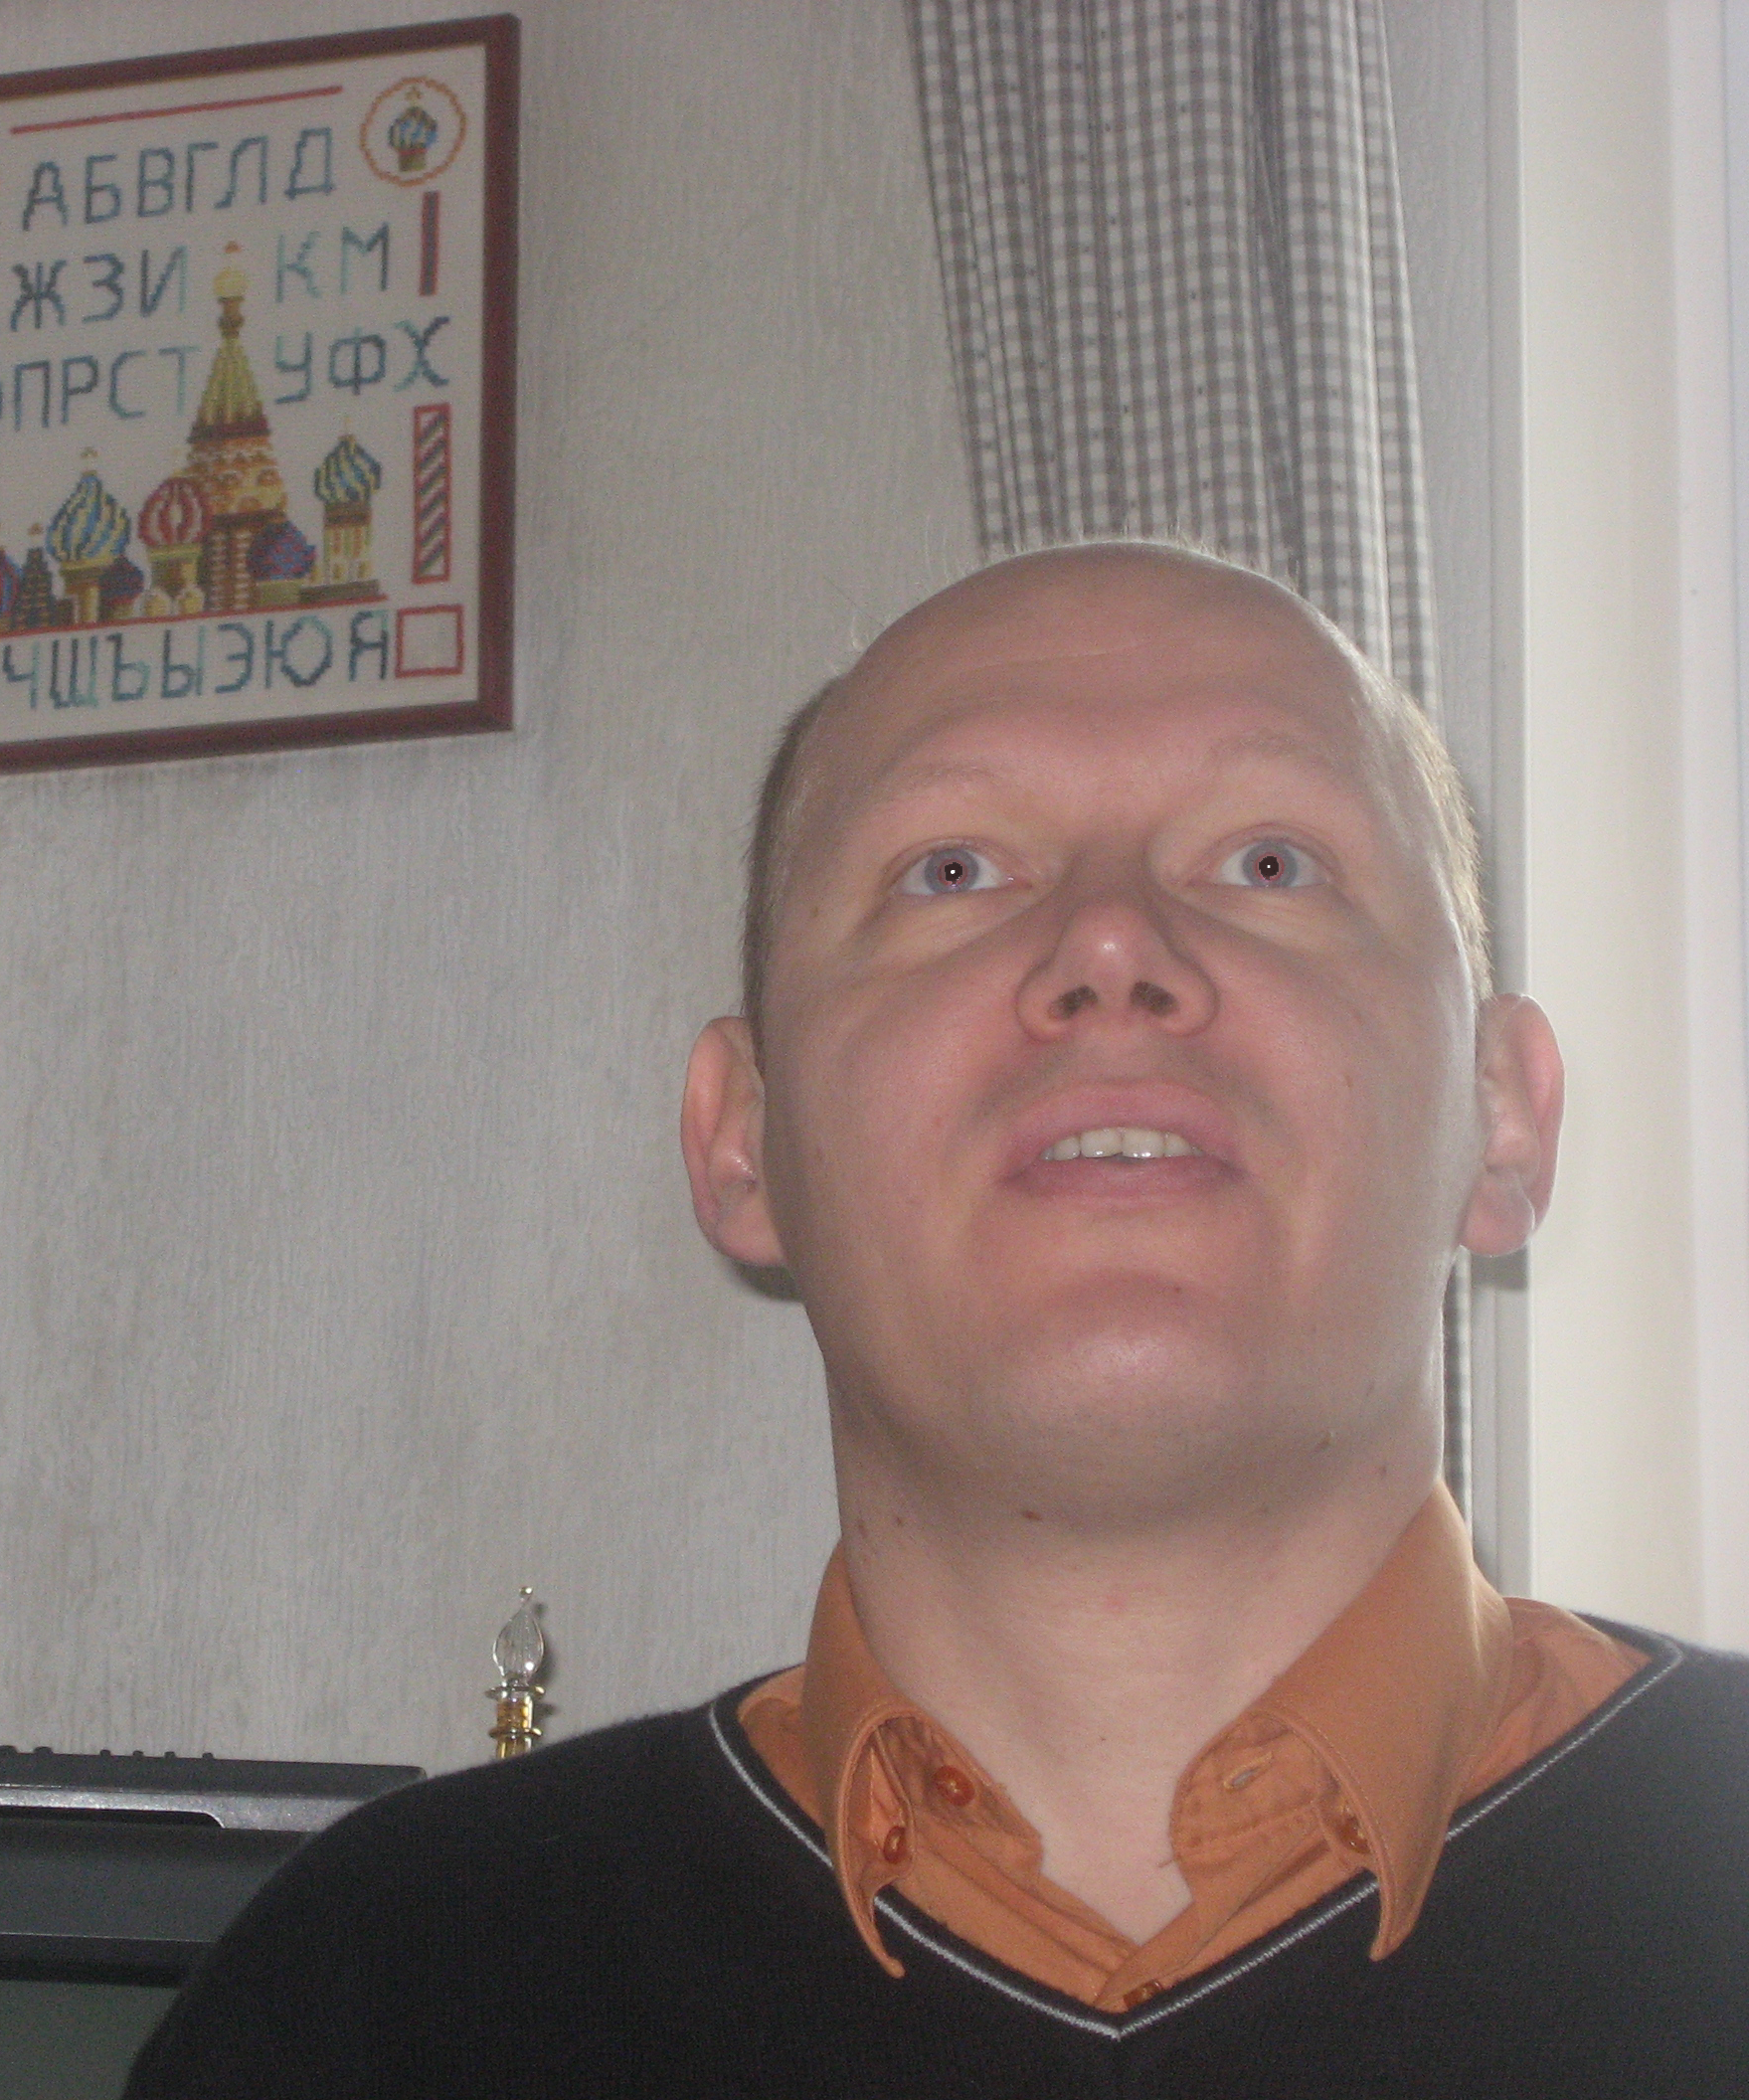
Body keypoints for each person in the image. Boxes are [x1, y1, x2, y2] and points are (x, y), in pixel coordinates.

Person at [124, 545, 1749, 2096]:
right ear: (743, 1142)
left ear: (1505, 1119)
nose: (1111, 945)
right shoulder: (380, 1996)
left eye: (1271, 862)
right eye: (952, 870)